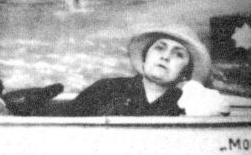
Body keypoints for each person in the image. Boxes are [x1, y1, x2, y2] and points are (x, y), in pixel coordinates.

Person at [64, 25, 230, 117]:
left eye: (178, 54)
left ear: (185, 71)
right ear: (145, 58)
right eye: (160, 48)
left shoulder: (188, 104)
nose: (165, 57)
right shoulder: (105, 89)